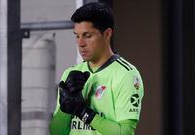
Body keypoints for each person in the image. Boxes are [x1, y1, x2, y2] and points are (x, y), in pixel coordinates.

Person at [49, 2, 144, 135]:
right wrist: (65, 110)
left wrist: (82, 112)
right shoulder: (70, 73)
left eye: (87, 36)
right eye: (77, 36)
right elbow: (56, 132)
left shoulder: (126, 75)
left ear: (107, 34)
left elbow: (125, 132)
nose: (80, 43)